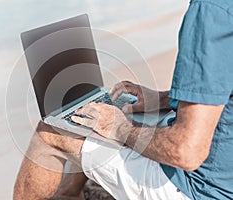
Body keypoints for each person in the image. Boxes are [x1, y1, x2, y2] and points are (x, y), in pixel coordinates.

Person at [13, 0, 233, 199]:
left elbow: (186, 152)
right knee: (96, 114)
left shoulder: (212, 11)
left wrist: (120, 127)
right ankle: (69, 192)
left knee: (50, 132)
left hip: (198, 188)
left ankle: (69, 192)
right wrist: (162, 99)